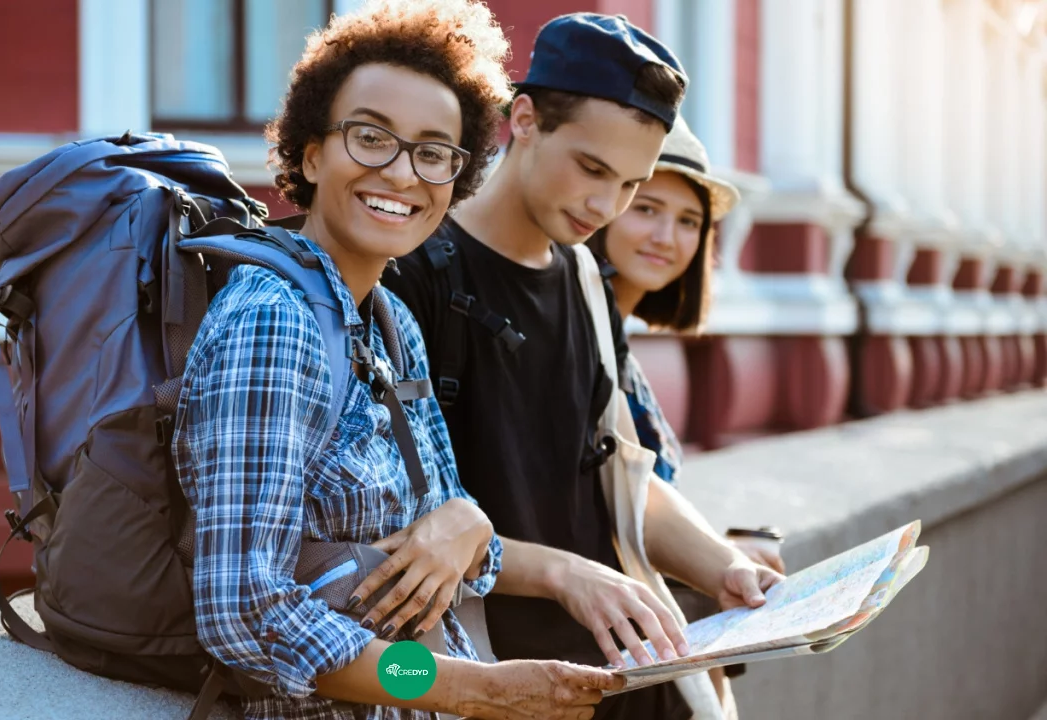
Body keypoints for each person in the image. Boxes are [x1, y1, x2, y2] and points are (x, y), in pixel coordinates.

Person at [173, 2, 624, 719]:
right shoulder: (272, 320)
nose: (402, 173)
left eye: (433, 151)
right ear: (312, 153)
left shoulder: (389, 317)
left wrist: (474, 527)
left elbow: (437, 528)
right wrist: (469, 690)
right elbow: (245, 613)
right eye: (370, 137)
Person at [379, 13, 784, 720]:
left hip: (628, 682)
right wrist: (566, 576)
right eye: (592, 168)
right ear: (525, 119)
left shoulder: (587, 279)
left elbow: (617, 472)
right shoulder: (411, 273)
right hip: (488, 685)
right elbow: (387, 533)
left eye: (631, 183)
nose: (606, 205)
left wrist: (725, 567)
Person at [587, 115, 785, 715]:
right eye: (646, 207)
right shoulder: (570, 330)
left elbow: (637, 497)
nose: (666, 237)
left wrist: (717, 549)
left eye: (689, 221)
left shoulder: (622, 341)